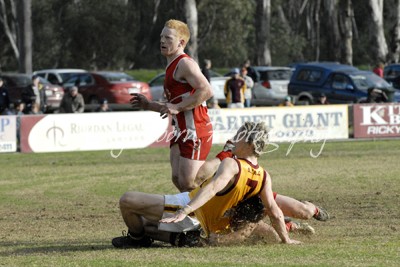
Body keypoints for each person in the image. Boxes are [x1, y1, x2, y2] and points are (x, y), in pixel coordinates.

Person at [112, 122, 300, 249]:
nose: (234, 139)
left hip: (193, 210)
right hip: (207, 219)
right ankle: (182, 238)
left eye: (239, 136)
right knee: (146, 224)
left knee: (127, 201)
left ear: (249, 144)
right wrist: (287, 240)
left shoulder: (232, 164)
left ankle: (136, 239)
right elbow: (274, 212)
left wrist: (185, 210)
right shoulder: (264, 176)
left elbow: (211, 188)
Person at [130, 19, 213, 192]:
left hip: (195, 128)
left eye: (168, 37)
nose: (162, 41)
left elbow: (206, 90)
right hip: (180, 129)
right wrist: (148, 105)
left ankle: (225, 161)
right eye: (161, 37)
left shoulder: (185, 64)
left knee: (189, 181)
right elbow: (172, 105)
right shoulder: (171, 65)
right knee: (177, 178)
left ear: (181, 42)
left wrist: (178, 107)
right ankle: (194, 216)